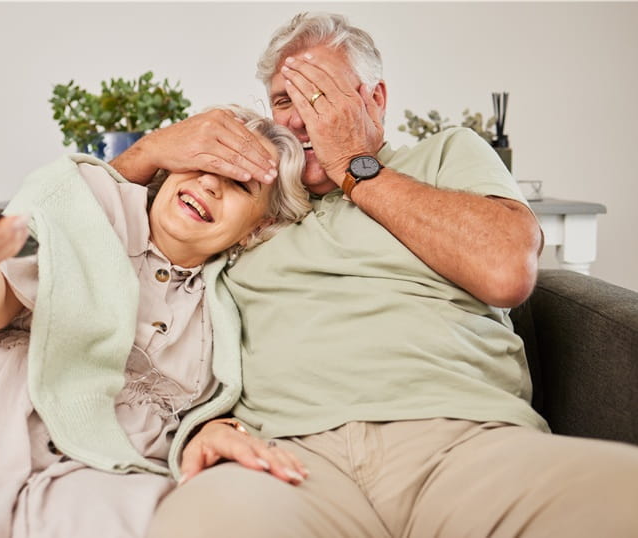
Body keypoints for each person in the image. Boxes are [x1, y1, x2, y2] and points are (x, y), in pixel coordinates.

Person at [110, 12, 638, 538]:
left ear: (375, 99)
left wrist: (358, 166)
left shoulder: (445, 155)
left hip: (462, 440)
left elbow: (506, 271)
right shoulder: (250, 208)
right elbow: (114, 254)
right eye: (283, 100)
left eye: (320, 95)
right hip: (287, 458)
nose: (296, 120)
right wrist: (205, 425)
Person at [0, 105, 312, 538]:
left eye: (239, 183)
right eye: (203, 164)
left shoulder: (234, 300)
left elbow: (211, 409)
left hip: (107, 470)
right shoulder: (95, 202)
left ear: (261, 226)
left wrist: (214, 430)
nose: (209, 183)